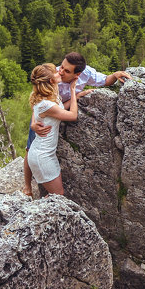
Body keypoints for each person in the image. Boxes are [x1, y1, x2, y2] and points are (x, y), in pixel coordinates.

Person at [23, 52, 131, 196]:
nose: (60, 71)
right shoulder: (52, 76)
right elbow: (37, 99)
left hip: (59, 110)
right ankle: (27, 187)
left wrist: (115, 75)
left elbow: (105, 80)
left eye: (66, 71)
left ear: (77, 74)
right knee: (30, 149)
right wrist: (33, 123)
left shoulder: (86, 73)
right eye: (61, 66)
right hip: (44, 117)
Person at [24, 63, 78, 196]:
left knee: (56, 195)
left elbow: (59, 110)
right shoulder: (46, 104)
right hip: (42, 156)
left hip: (45, 153)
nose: (59, 71)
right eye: (56, 71)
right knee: (58, 195)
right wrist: (73, 91)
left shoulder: (46, 97)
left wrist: (79, 96)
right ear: (51, 80)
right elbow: (72, 115)